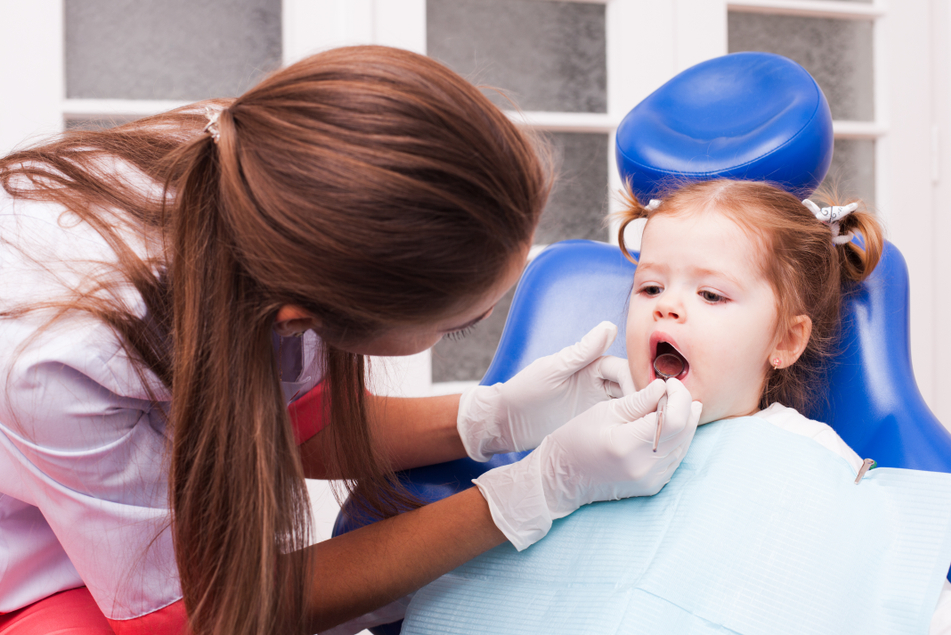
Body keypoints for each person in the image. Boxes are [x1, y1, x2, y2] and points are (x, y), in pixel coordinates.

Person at [0, 45, 698, 635]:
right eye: (461, 323)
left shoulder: (257, 167)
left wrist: (493, 416)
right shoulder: (60, 362)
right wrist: (529, 491)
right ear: (303, 315)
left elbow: (301, 423)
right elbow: (189, 613)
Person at [405, 178, 951, 632]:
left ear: (785, 341)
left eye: (711, 293)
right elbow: (450, 583)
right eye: (651, 287)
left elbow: (906, 594)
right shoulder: (579, 449)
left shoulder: (808, 459)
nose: (668, 307)